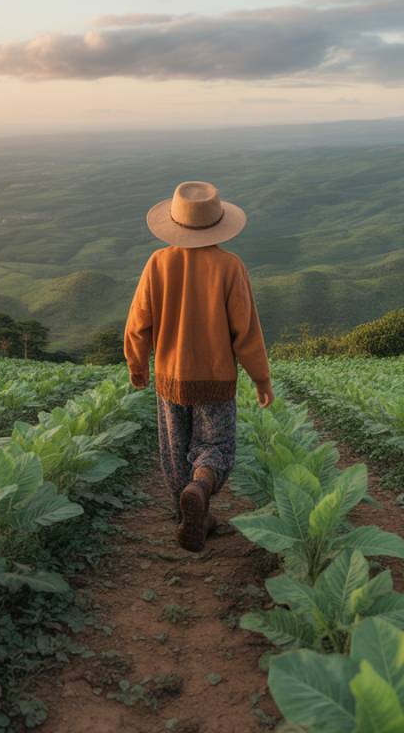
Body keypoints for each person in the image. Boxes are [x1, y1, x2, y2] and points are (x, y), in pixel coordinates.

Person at [124, 180, 273, 553]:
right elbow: (247, 331)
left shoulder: (157, 263)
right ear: (218, 223)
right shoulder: (230, 266)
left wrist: (137, 365)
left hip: (171, 378)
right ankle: (201, 488)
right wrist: (261, 379)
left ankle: (187, 509)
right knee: (216, 446)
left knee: (175, 450)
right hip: (216, 378)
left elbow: (138, 322)